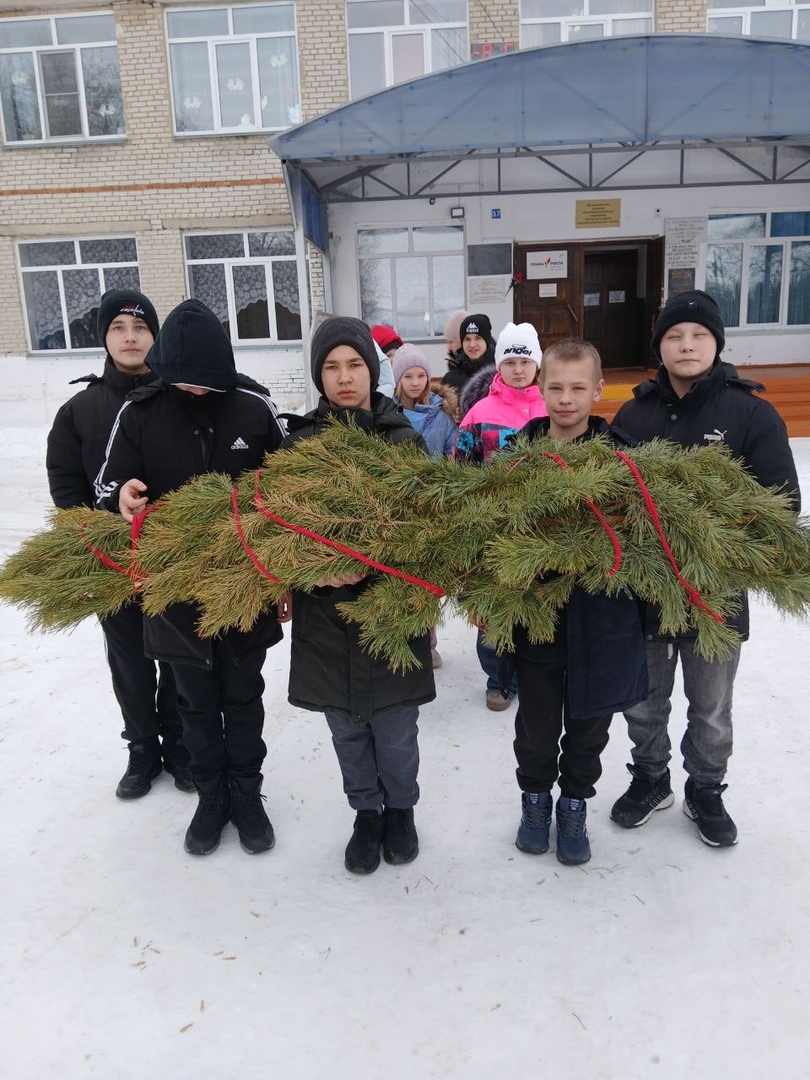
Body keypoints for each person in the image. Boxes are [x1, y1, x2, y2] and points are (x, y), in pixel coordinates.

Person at [95, 299, 289, 857]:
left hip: (243, 586)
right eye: (186, 381)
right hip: (174, 591)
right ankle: (210, 796)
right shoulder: (139, 412)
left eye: (207, 382)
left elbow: (289, 493)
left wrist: (277, 579)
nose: (197, 391)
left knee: (244, 697)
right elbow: (108, 489)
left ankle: (247, 794)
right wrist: (123, 498)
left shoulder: (253, 409)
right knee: (195, 703)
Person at [610, 290, 800, 847]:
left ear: (717, 343)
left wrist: (707, 531)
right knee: (644, 699)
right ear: (659, 347)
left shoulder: (751, 413)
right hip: (644, 589)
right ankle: (650, 777)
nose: (686, 345)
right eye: (674, 336)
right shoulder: (634, 412)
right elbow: (612, 498)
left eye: (698, 335)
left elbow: (780, 505)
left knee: (711, 704)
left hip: (714, 593)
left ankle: (706, 787)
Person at [282, 317, 436, 875]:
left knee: (395, 731)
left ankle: (401, 810)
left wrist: (379, 564)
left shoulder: (403, 442)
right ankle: (366, 812)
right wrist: (312, 569)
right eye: (331, 367)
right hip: (326, 622)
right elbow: (278, 532)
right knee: (346, 729)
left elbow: (427, 532)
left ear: (371, 372)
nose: (344, 377)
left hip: (390, 617)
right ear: (319, 376)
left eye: (354, 365)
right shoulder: (298, 445)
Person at [46, 288, 191, 799]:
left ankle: (178, 743)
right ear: (104, 337)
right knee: (128, 659)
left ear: (155, 336)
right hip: (113, 564)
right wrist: (100, 532)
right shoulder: (80, 410)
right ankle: (141, 750)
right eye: (118, 329)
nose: (131, 339)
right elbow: (66, 488)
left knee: (177, 655)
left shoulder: (178, 398)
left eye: (141, 328)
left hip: (172, 561)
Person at [510, 338, 648, 865]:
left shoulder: (624, 459)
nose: (565, 399)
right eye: (555, 387)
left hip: (603, 622)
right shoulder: (517, 457)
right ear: (540, 389)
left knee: (590, 723)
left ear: (597, 390)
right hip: (538, 620)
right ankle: (535, 799)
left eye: (577, 388)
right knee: (537, 724)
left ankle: (573, 804)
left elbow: (644, 540)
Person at [454, 322, 547, 710]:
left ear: (538, 365)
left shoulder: (551, 407)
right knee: (492, 605)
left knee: (536, 603)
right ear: (499, 364)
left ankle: (531, 674)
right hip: (491, 528)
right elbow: (460, 468)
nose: (519, 369)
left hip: (541, 529)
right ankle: (497, 677)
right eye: (510, 360)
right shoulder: (480, 412)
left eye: (526, 360)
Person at [391, 342, 458, 667]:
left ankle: (428, 641)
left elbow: (452, 456)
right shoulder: (390, 415)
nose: (416, 382)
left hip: (433, 505)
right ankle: (404, 636)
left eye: (421, 375)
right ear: (399, 380)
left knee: (427, 577)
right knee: (403, 573)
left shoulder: (443, 416)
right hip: (401, 507)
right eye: (408, 375)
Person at [441, 313, 496, 398]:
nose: (472, 344)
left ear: (487, 341)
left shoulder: (500, 375)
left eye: (478, 338)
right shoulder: (450, 379)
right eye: (467, 339)